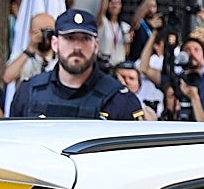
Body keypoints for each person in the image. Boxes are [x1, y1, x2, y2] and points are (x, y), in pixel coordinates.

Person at [11, 10, 145, 120]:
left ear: (96, 45)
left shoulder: (120, 100)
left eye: (85, 39)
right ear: (55, 44)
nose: (77, 47)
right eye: (69, 38)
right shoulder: (28, 92)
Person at [2, 13, 57, 87]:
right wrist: (28, 51)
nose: (45, 36)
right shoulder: (20, 56)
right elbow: (7, 78)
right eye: (41, 31)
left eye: (49, 31)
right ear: (31, 33)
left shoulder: (60, 58)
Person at [96, 0, 131, 70]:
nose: (114, 5)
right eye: (112, 2)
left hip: (119, 66)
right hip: (103, 65)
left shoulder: (125, 26)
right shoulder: (103, 22)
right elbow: (101, 9)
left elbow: (127, 51)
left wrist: (128, 41)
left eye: (118, 3)